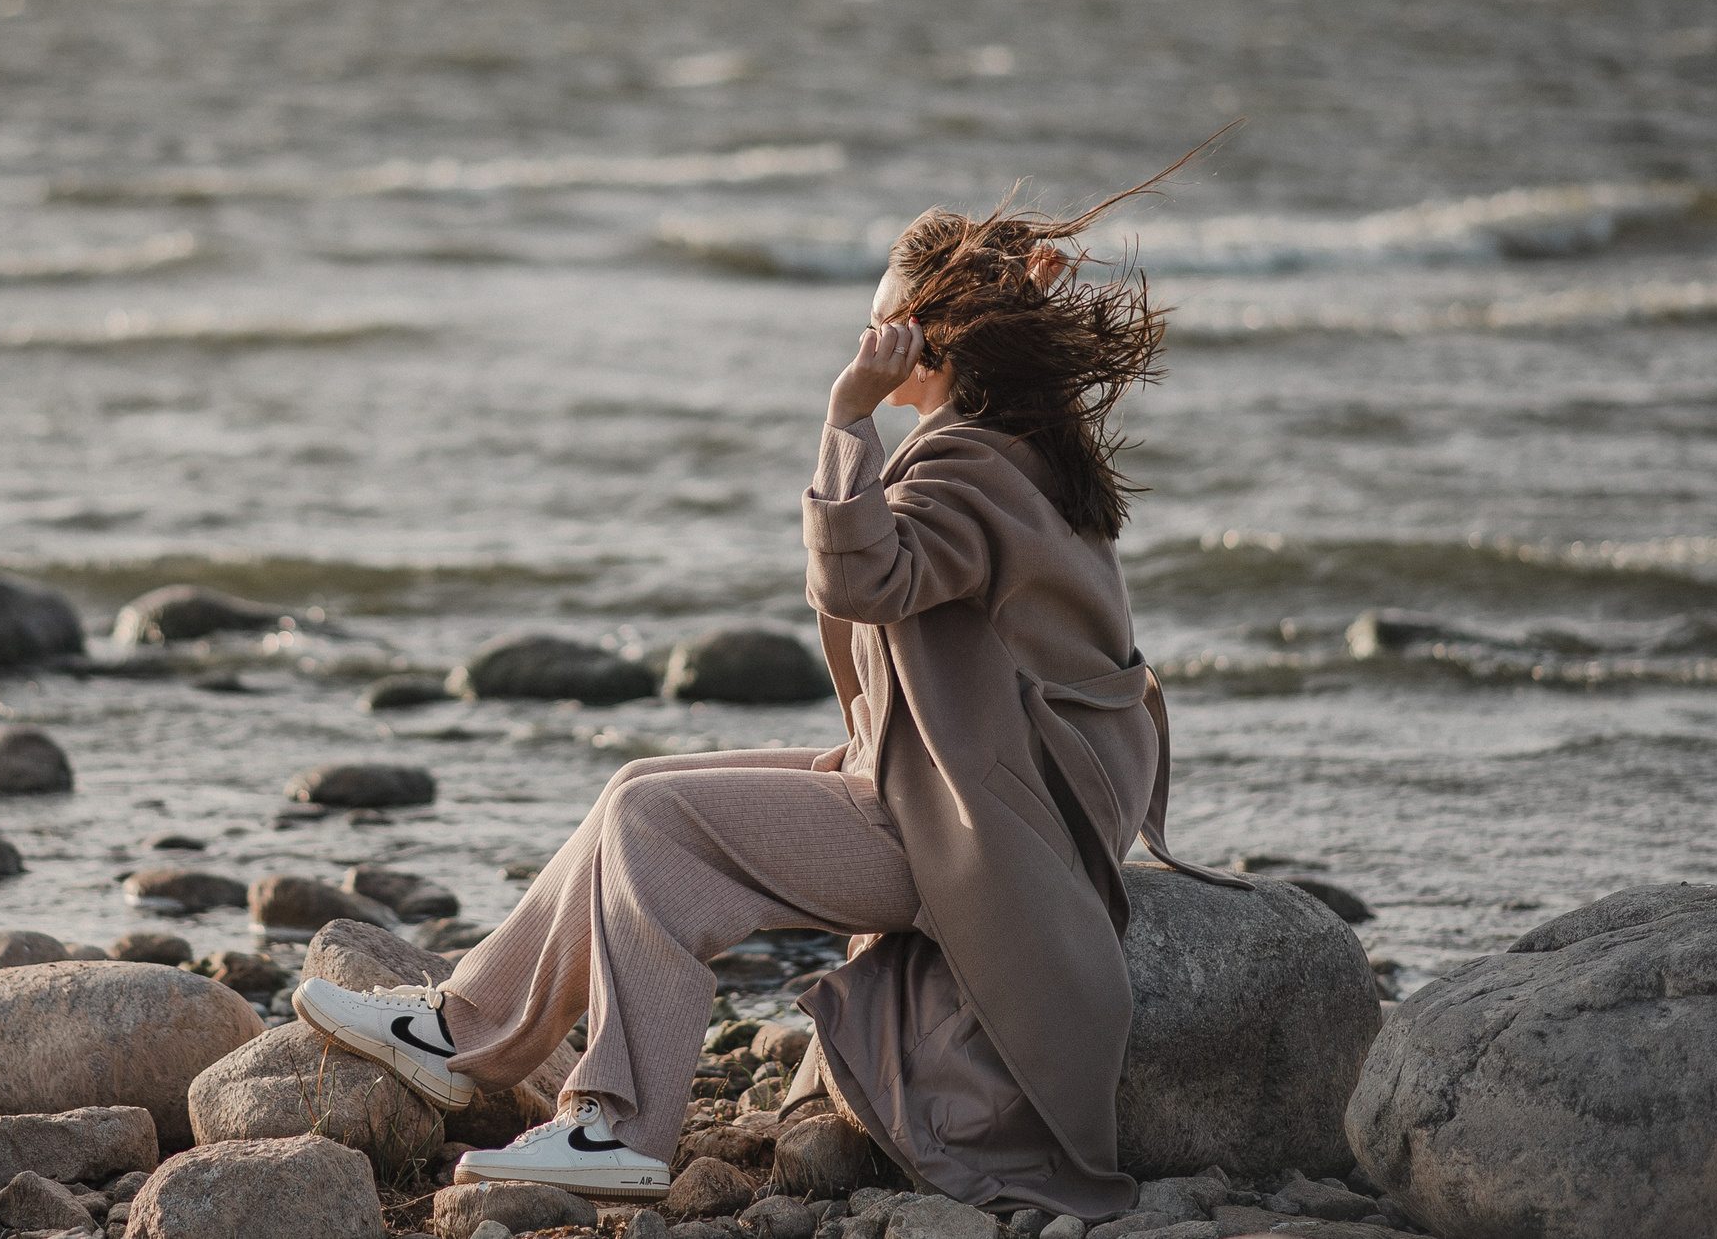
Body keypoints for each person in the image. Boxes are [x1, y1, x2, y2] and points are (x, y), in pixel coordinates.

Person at [293, 145, 1247, 1220]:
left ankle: (619, 1126)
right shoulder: (1023, 443)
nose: (870, 344)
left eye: (887, 327)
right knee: (634, 787)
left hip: (974, 827)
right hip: (953, 787)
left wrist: (846, 419)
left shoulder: (968, 464)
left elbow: (863, 575)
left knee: (658, 819)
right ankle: (460, 1030)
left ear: (934, 344)